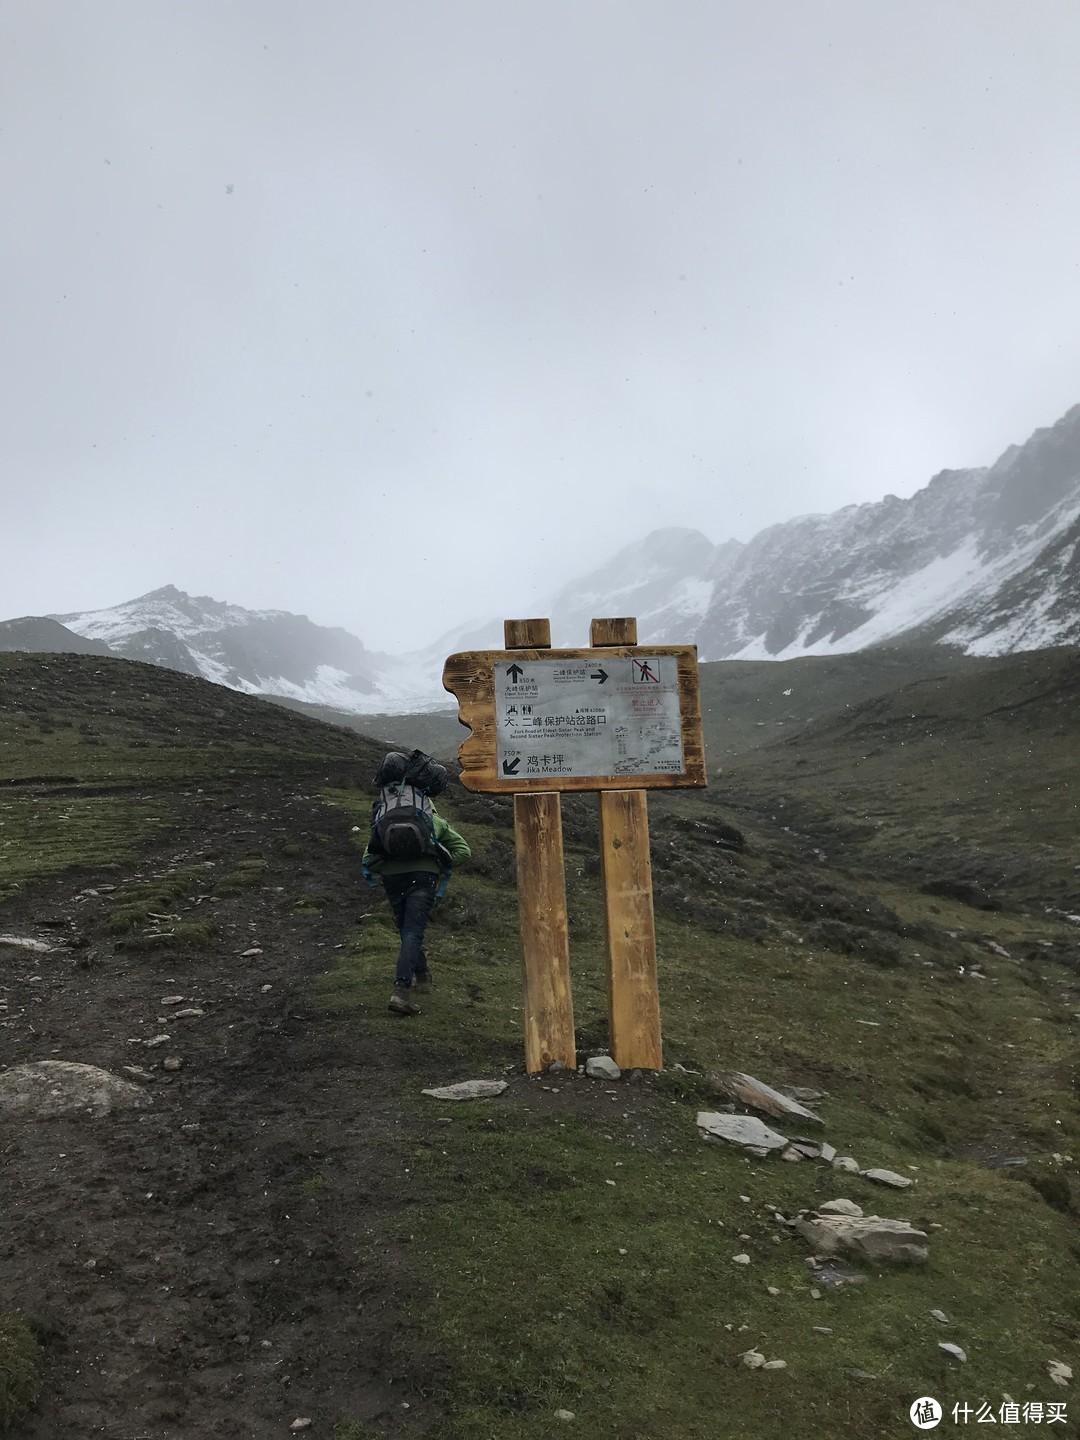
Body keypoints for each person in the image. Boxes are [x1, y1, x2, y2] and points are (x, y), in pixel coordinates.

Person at [362, 758, 471, 1016]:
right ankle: (401, 992)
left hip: (392, 880)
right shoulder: (433, 821)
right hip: (424, 878)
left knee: (407, 930)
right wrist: (439, 863)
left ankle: (422, 976)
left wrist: (390, 865)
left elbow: (368, 860)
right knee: (413, 931)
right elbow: (464, 852)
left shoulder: (382, 815)